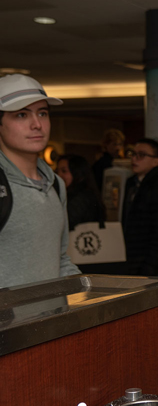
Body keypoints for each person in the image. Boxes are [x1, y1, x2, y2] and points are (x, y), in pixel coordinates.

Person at [0, 74, 80, 288]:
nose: (37, 124)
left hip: (50, 318)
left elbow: (60, 259)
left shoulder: (56, 184)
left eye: (42, 114)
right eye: (21, 115)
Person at [121, 138, 158, 276]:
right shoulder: (132, 184)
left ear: (156, 161)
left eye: (141, 155)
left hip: (156, 265)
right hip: (133, 261)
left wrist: (150, 266)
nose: (135, 159)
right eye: (133, 154)